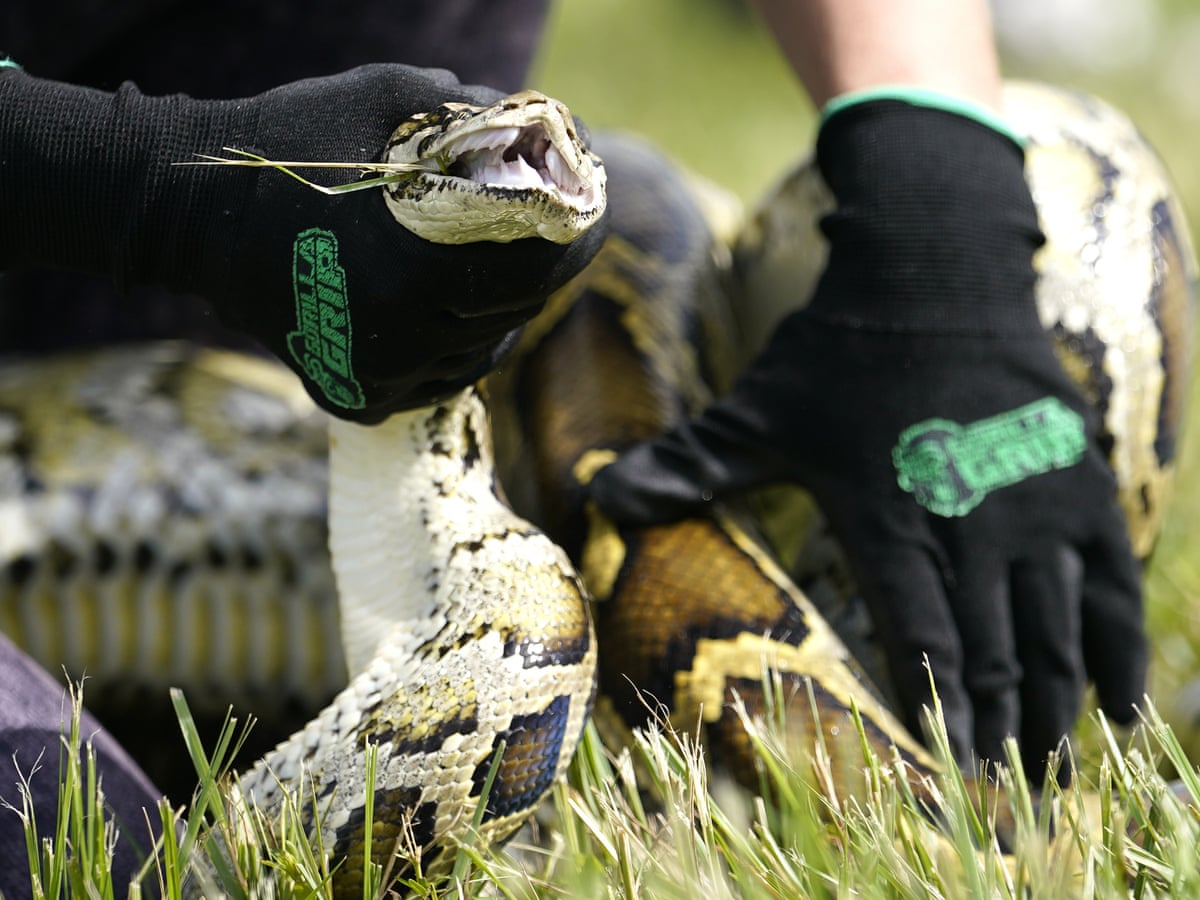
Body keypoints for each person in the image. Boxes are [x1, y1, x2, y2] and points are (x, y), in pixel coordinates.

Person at [0, 0, 1143, 891]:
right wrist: (135, 180)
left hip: (312, 299)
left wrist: (934, 214)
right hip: (146, 219)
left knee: (1071, 222)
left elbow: (948, 185)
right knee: (70, 847)